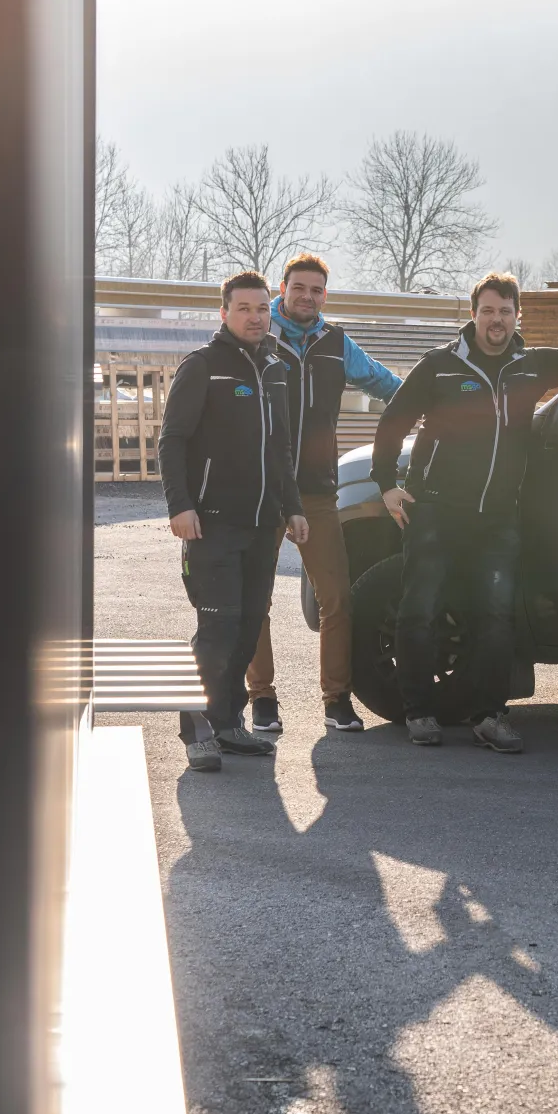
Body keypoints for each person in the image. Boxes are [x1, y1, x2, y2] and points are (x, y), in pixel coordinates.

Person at [372, 271, 558, 752]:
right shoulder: (440, 365)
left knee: (496, 617)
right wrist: (385, 484)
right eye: (487, 310)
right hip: (435, 509)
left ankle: (489, 716)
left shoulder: (529, 367)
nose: (495, 320)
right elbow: (394, 419)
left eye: (505, 311)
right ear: (473, 314)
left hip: (497, 517)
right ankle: (418, 711)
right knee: (420, 609)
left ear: (517, 316)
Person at [159, 270, 308, 773]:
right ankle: (197, 730)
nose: (255, 317)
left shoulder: (276, 368)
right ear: (224, 313)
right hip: (212, 524)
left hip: (263, 526)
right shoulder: (203, 365)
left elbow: (281, 447)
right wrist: (180, 505)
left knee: (246, 630)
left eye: (262, 308)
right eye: (244, 308)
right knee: (217, 631)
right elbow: (172, 440)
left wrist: (292, 507)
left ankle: (226, 723)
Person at [244, 253, 400, 736]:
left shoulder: (336, 343)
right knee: (255, 599)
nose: (306, 297)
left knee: (337, 600)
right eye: (298, 288)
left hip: (316, 491)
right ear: (283, 290)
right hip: (261, 490)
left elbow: (386, 383)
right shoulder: (259, 336)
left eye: (316, 290)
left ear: (325, 295)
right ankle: (261, 697)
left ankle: (337, 699)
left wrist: (432, 405)